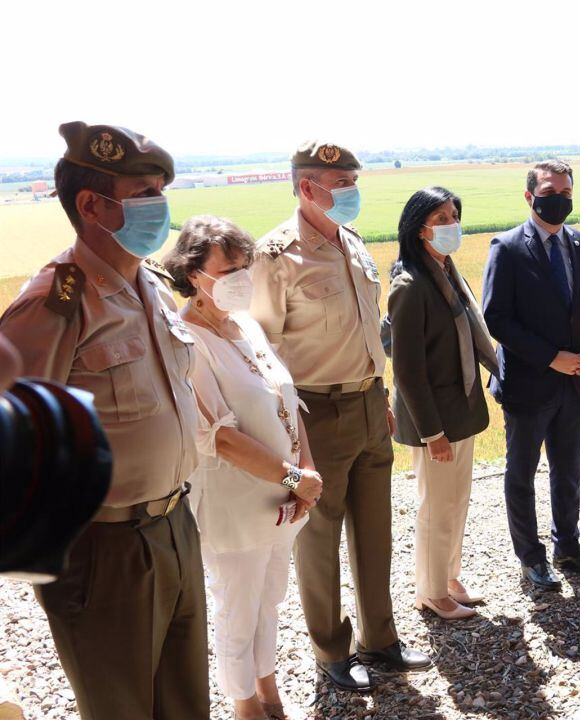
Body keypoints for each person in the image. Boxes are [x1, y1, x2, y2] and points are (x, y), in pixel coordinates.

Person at [0, 122, 208, 718]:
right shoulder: (56, 300)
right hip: (104, 548)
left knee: (186, 701)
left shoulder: (149, 284)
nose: (161, 207)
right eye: (145, 194)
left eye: (161, 191)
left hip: (174, 523)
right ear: (92, 205)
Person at [249, 141, 430, 693]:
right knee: (319, 541)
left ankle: (381, 640)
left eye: (354, 180)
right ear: (307, 188)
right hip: (316, 412)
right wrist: (292, 438)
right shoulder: (276, 257)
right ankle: (331, 650)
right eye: (343, 182)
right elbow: (265, 354)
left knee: (376, 534)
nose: (353, 192)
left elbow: (369, 329)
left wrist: (380, 397)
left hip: (369, 405)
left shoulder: (350, 244)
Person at [164, 216, 323, 720]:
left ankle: (269, 688)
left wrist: (307, 473)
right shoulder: (187, 342)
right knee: (237, 610)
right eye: (229, 269)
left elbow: (289, 403)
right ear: (193, 276)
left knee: (269, 600)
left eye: (245, 266)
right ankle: (244, 706)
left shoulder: (246, 324)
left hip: (286, 498)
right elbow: (223, 438)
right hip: (236, 504)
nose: (242, 277)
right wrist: (297, 479)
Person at [482, 159, 580, 592]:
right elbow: (496, 318)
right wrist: (550, 357)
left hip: (575, 383)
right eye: (551, 193)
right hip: (528, 384)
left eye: (567, 194)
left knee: (567, 470)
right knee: (522, 473)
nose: (560, 201)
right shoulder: (508, 247)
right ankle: (531, 559)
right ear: (530, 195)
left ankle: (568, 548)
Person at [384, 187, 499, 620]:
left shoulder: (447, 273)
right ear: (419, 229)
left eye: (455, 214)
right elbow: (408, 371)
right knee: (436, 505)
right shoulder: (411, 286)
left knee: (456, 501)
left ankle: (449, 577)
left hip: (460, 410)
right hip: (433, 420)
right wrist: (433, 433)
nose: (453, 224)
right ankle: (432, 592)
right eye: (442, 217)